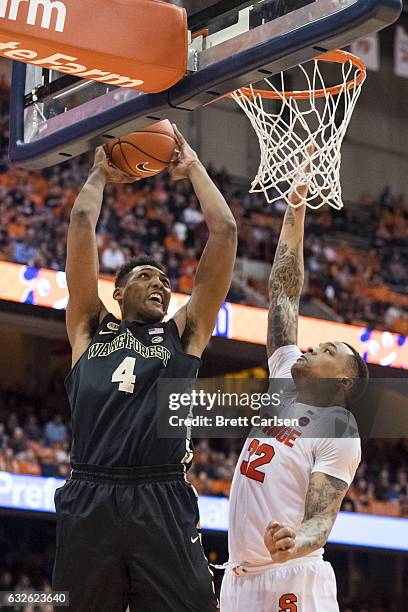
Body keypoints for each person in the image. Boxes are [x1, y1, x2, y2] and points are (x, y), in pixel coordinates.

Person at [53, 125, 237, 611]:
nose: (160, 284)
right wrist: (98, 175)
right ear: (117, 292)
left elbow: (226, 233)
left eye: (164, 279)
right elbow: (79, 228)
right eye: (145, 277)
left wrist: (193, 167)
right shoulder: (88, 329)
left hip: (162, 494)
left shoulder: (185, 332)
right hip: (91, 491)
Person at [221, 154, 369, 611]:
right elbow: (284, 291)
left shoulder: (339, 428)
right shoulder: (284, 374)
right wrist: (296, 206)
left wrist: (297, 538)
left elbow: (322, 519)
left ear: (343, 380)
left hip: (293, 574)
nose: (310, 348)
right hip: (241, 577)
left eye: (327, 351)